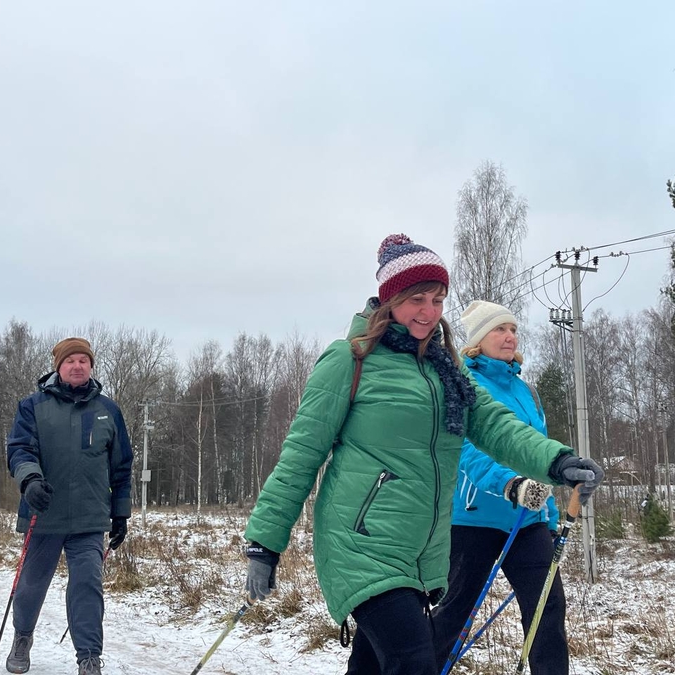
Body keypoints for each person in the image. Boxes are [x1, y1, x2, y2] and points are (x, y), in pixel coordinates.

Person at [242, 234, 604, 675]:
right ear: (390, 298)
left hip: (420, 551)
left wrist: (557, 461)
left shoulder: (444, 368)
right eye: (417, 298)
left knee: (375, 665)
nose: (429, 312)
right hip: (362, 543)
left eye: (437, 299)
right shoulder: (350, 360)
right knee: (414, 661)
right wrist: (265, 543)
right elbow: (300, 455)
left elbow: (495, 426)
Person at [432, 300, 569, 675]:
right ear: (478, 340)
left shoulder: (526, 391)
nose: (509, 336)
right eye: (499, 329)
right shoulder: (463, 382)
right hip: (473, 519)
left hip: (527, 522)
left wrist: (550, 516)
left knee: (547, 608)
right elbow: (464, 448)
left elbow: (537, 455)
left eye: (512, 329)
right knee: (454, 612)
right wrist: (507, 484)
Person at [5, 337, 133, 675]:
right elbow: (20, 450)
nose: (77, 366)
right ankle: (22, 636)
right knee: (31, 584)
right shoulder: (32, 406)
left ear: (91, 366)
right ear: (58, 367)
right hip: (43, 514)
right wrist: (30, 480)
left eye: (83, 361)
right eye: (70, 361)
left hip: (90, 517)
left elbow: (122, 466)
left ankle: (89, 656)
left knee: (87, 584)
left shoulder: (109, 410)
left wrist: (120, 513)